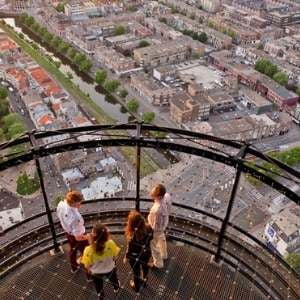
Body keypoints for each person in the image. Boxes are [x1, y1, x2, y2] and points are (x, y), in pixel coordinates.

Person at [80, 222, 120, 300]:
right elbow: (116, 256)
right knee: (114, 279)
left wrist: (89, 270)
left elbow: (87, 266)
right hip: (110, 268)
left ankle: (100, 295)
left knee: (98, 285)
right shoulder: (111, 243)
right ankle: (116, 288)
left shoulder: (88, 250)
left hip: (96, 272)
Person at [57, 190, 90, 273]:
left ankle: (74, 267)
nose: (80, 204)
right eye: (79, 203)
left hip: (68, 233)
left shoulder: (61, 205)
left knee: (73, 249)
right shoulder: (75, 218)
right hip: (78, 235)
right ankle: (89, 275)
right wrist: (89, 236)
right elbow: (78, 237)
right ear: (73, 203)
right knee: (86, 254)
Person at [124, 211, 153, 293]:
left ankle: (136, 287)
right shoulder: (149, 228)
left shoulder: (132, 237)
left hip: (134, 258)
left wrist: (126, 257)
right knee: (145, 267)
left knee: (136, 272)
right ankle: (145, 280)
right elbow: (151, 237)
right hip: (146, 253)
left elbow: (129, 250)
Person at [148, 184, 172, 268]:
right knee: (162, 238)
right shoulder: (167, 196)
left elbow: (156, 225)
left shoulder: (157, 210)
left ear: (159, 196)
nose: (151, 192)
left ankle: (158, 264)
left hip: (156, 229)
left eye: (153, 191)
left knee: (153, 245)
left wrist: (151, 230)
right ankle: (164, 254)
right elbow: (169, 209)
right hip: (163, 225)